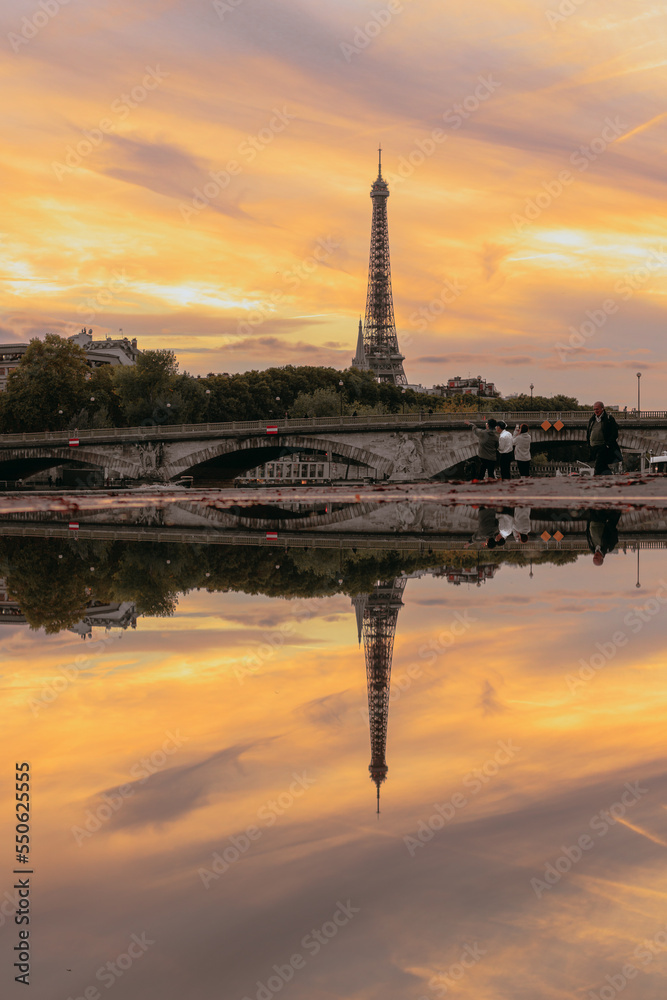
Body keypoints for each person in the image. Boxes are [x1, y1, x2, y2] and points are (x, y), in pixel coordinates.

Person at [586, 401, 620, 475]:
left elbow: (614, 433)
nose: (595, 411)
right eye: (594, 409)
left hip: (603, 446)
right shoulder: (592, 420)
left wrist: (607, 445)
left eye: (597, 409)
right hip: (593, 447)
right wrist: (589, 444)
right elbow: (588, 432)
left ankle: (596, 476)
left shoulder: (609, 419)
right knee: (603, 465)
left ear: (602, 408)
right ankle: (609, 476)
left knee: (598, 465)